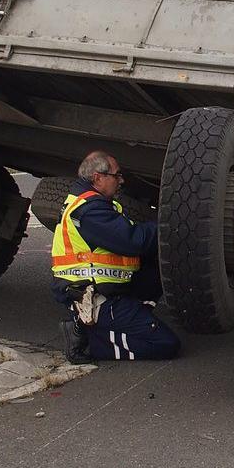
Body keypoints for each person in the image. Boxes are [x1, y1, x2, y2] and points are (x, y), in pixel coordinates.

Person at [50, 150, 180, 362]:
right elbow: (133, 240)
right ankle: (88, 341)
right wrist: (166, 224)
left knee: (158, 265)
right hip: (99, 299)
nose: (121, 180)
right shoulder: (90, 211)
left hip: (109, 288)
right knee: (166, 345)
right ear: (98, 178)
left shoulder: (91, 202)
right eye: (116, 175)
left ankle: (130, 319)